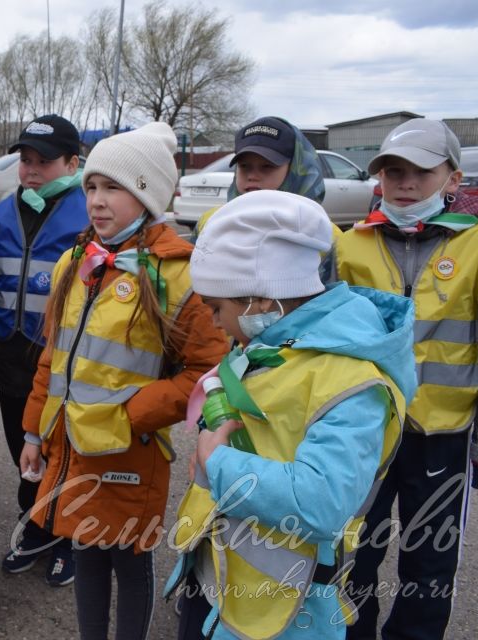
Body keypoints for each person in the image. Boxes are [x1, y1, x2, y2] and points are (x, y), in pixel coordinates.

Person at [165, 189, 415, 640]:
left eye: (218, 309)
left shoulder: (349, 379)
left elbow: (322, 501)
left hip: (286, 609)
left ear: (263, 301)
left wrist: (217, 463)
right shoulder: (274, 345)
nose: (216, 324)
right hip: (226, 580)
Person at [17, 123, 227, 640]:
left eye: (114, 188)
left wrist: (134, 415)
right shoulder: (77, 262)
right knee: (85, 549)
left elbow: (206, 370)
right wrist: (32, 432)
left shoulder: (178, 274)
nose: (97, 200)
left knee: (130, 559)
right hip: (74, 444)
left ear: (148, 194)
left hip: (131, 448)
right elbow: (53, 356)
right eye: (91, 186)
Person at [338, 119, 478, 640]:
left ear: (453, 179)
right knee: (351, 555)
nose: (405, 182)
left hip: (441, 437)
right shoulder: (350, 246)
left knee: (429, 565)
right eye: (393, 171)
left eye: (422, 172)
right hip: (365, 432)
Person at [0, 114, 87, 586]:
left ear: (72, 162)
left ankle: (69, 536)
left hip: (65, 360)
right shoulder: (0, 213)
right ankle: (34, 525)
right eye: (26, 159)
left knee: (62, 452)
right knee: (20, 450)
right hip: (11, 354)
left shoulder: (89, 212)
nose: (32, 169)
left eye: (44, 161)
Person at [190, 116, 339, 281]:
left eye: (267, 166)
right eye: (244, 166)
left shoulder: (323, 233)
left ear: (295, 170)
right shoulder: (211, 222)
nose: (252, 176)